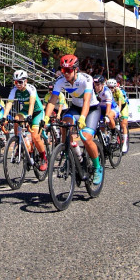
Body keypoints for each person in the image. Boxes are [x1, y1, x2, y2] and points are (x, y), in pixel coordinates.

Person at [44, 54, 103, 185]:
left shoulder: (86, 79)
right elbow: (53, 100)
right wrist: (46, 117)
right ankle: (69, 156)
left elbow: (87, 100)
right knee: (64, 125)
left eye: (69, 70)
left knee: (86, 137)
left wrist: (82, 117)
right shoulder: (60, 81)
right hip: (76, 107)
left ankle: (98, 167)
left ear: (76, 69)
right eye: (63, 70)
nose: (65, 73)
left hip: (91, 108)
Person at [2, 69, 48, 171]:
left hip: (37, 112)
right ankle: (18, 141)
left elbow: (32, 104)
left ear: (26, 81)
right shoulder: (14, 90)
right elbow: (9, 103)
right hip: (26, 111)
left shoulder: (31, 89)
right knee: (16, 119)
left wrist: (29, 117)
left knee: (35, 137)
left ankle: (43, 158)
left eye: (20, 82)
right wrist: (4, 117)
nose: (17, 84)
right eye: (15, 82)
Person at [107, 78, 130, 154]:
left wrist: (119, 113)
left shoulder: (118, 92)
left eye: (112, 87)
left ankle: (125, 143)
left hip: (123, 107)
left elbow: (120, 104)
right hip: (114, 106)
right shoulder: (106, 92)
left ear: (115, 87)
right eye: (109, 87)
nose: (110, 89)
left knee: (123, 124)